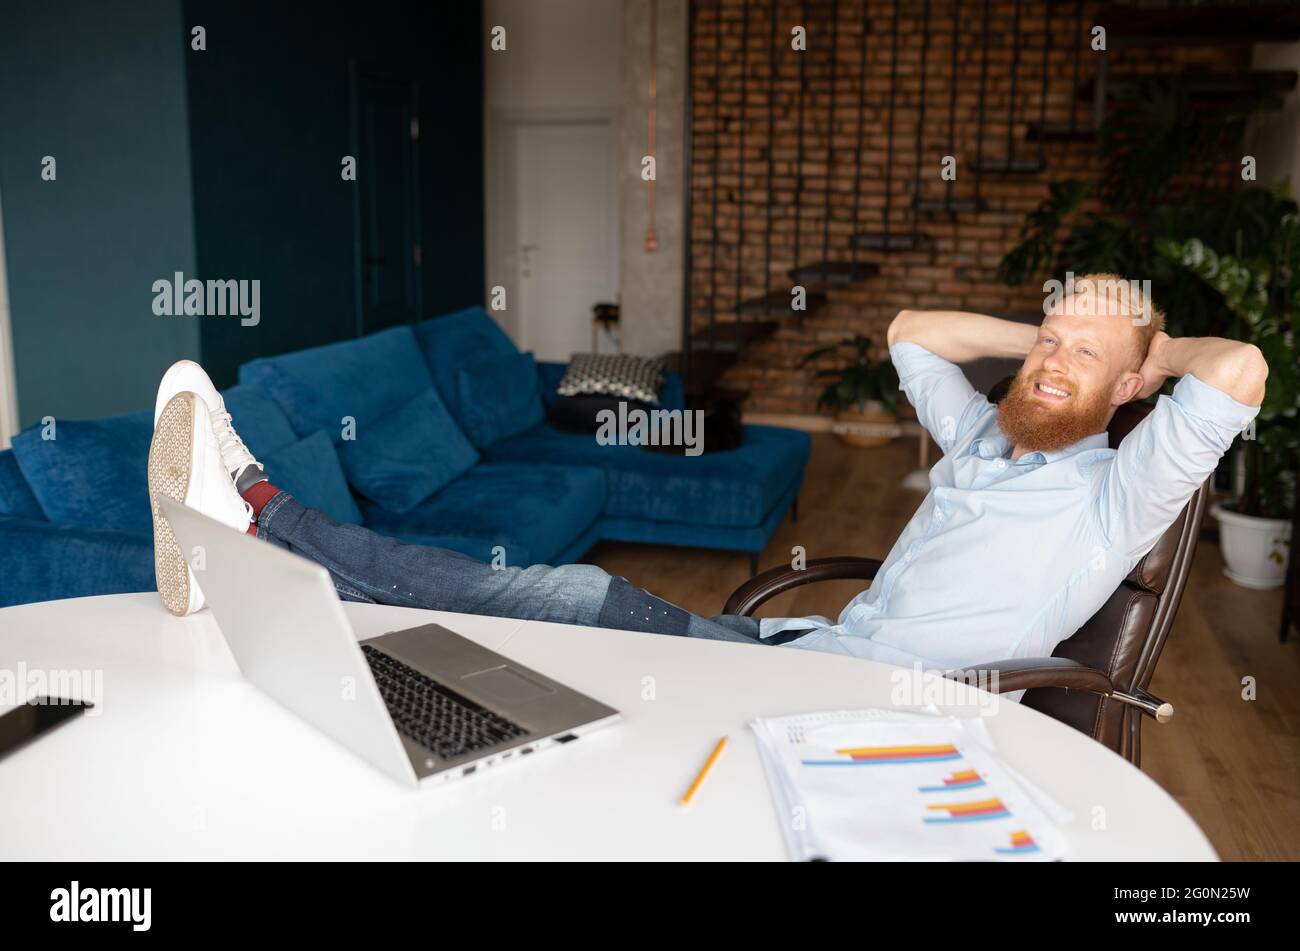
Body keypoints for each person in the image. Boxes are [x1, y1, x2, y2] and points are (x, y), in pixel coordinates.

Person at [147, 273, 1267, 683]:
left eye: (1080, 357)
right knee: (541, 625)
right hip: (798, 660)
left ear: (1128, 396)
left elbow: (1242, 367)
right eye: (1043, 342)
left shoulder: (1117, 493)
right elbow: (910, 329)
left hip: (863, 707)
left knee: (565, 604)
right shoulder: (979, 437)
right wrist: (1064, 328)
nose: (1049, 360)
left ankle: (253, 508)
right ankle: (254, 548)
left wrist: (1139, 351)